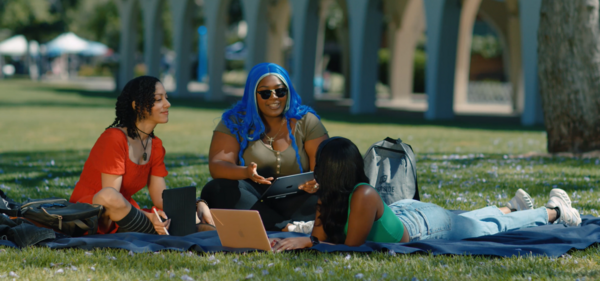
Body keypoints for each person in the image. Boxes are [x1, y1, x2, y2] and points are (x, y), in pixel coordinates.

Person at [270, 137, 581, 251]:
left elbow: (351, 245)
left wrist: (308, 240)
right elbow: (325, 235)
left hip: (424, 224)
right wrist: (313, 231)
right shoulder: (334, 193)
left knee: (484, 228)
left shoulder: (363, 194)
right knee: (469, 219)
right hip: (405, 213)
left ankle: (553, 211)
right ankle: (508, 207)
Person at [69, 76, 213, 235]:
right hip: (90, 215)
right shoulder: (114, 138)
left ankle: (170, 225)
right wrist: (150, 217)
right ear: (137, 106)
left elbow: (160, 198)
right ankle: (159, 225)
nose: (167, 104)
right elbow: (109, 197)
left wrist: (196, 205)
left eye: (166, 98)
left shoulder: (155, 145)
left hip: (126, 213)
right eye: (159, 99)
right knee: (109, 196)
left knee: (177, 215)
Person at [200, 63, 329, 231]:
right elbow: (217, 166)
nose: (274, 97)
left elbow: (324, 166)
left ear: (288, 92)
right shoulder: (234, 121)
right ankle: (288, 227)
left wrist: (315, 183)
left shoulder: (306, 121)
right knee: (217, 189)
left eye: (280, 91)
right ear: (253, 95)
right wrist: (245, 172)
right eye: (265, 93)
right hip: (252, 199)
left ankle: (273, 225)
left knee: (332, 192)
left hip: (297, 198)